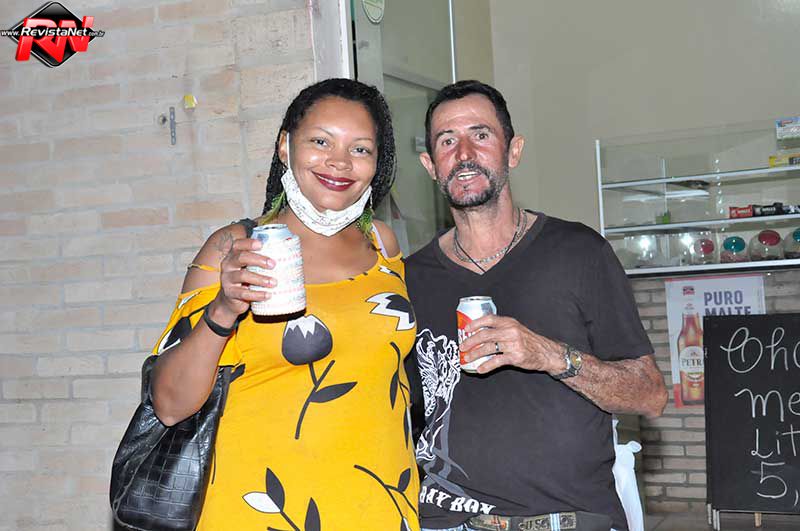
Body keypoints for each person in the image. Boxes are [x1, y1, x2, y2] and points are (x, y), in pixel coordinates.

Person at [150, 78, 420, 530]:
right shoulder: (232, 247)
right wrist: (223, 310)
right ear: (284, 146)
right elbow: (170, 405)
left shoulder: (383, 244)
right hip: (261, 510)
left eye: (360, 149)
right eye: (320, 141)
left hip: (381, 505)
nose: (339, 161)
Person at [404, 80, 668, 531]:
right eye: (447, 141)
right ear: (430, 165)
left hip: (567, 520)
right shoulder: (410, 278)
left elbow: (650, 395)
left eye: (481, 135)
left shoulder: (579, 252)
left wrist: (548, 355)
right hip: (447, 519)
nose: (464, 153)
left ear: (514, 151)